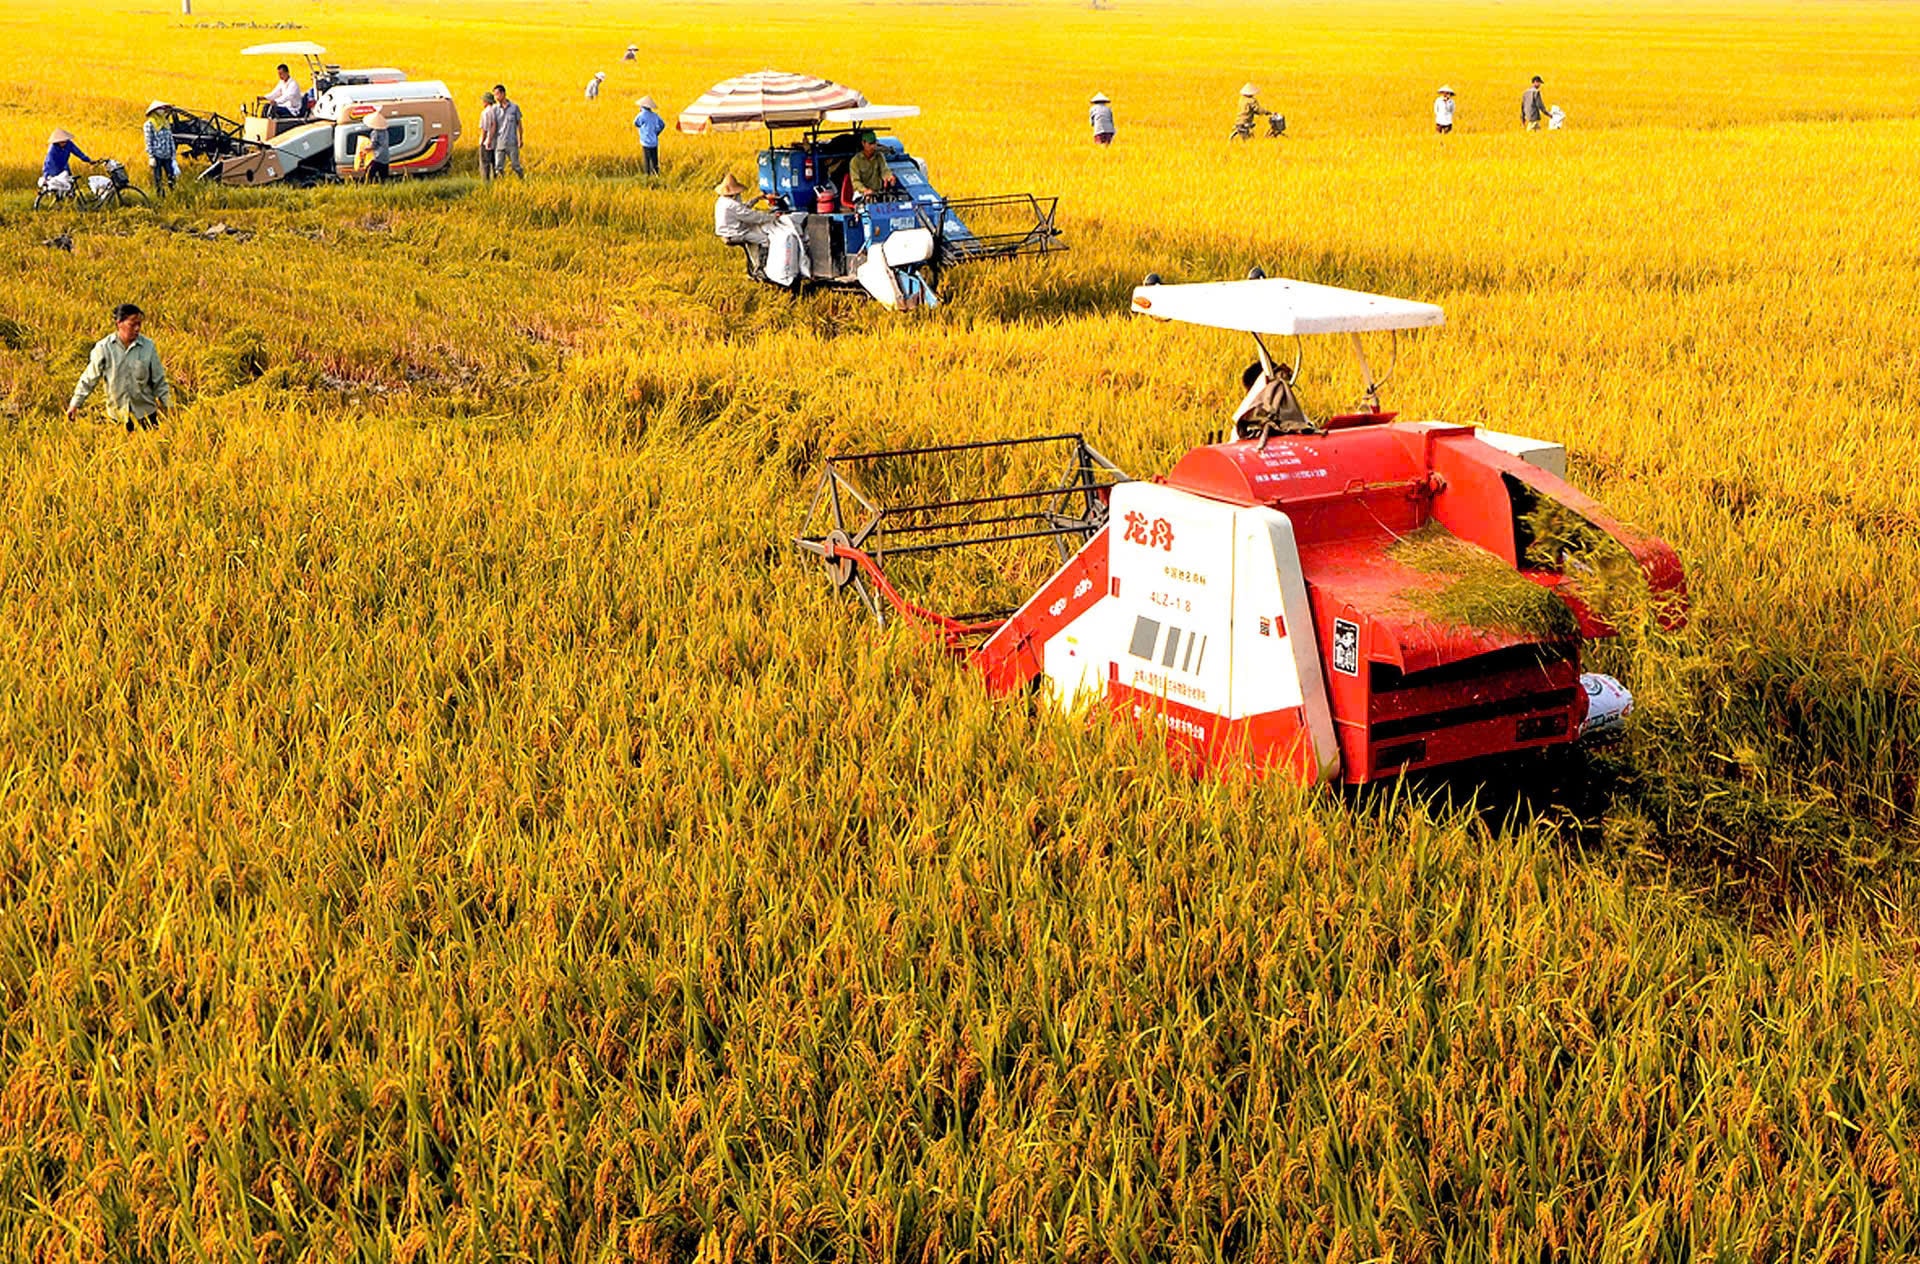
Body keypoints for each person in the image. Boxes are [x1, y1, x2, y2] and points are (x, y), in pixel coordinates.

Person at [68, 303, 171, 434]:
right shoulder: (104, 348)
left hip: (145, 415)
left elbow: (159, 380)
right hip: (117, 417)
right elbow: (89, 378)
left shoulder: (148, 347)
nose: (137, 328)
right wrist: (75, 404)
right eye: (132, 325)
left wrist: (169, 406)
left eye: (139, 324)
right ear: (119, 323)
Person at [713, 172, 778, 247]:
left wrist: (757, 199)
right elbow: (753, 217)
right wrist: (773, 217)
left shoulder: (721, 201)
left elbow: (742, 208)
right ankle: (764, 254)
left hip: (726, 233)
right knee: (765, 239)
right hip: (734, 234)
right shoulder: (732, 204)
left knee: (754, 229)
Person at [849, 132, 896, 199]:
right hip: (862, 194)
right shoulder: (855, 161)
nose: (873, 146)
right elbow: (856, 181)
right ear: (863, 143)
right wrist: (865, 190)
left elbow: (884, 170)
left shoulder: (879, 156)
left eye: (874, 143)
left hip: (878, 192)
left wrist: (889, 177)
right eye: (870, 144)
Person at [142, 102, 176, 195]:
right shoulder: (149, 124)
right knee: (158, 178)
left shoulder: (165, 122)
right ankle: (160, 196)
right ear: (155, 110)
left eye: (163, 109)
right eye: (160, 108)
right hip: (157, 155)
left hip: (167, 155)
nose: (162, 110)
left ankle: (173, 194)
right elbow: (148, 140)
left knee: (171, 177)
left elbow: (170, 139)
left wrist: (173, 155)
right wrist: (151, 156)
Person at [491, 84, 525, 177]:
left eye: (497, 94)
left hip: (512, 142)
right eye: (494, 95)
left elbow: (519, 124)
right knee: (498, 167)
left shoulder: (514, 107)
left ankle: (522, 179)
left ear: (503, 94)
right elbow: (493, 125)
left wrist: (521, 139)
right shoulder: (495, 109)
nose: (496, 97)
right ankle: (502, 181)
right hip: (499, 142)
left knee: (515, 166)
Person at [632, 96, 665, 175]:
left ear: (642, 106)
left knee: (647, 159)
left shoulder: (641, 115)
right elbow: (662, 124)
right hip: (654, 141)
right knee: (654, 160)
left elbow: (635, 123)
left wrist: (642, 129)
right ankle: (656, 174)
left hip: (645, 141)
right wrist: (657, 132)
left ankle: (647, 175)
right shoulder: (655, 115)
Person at [362, 111, 391, 181]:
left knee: (369, 174)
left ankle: (367, 184)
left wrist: (365, 148)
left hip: (378, 156)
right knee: (384, 176)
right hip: (386, 156)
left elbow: (373, 145)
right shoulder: (385, 131)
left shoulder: (375, 132)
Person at [477, 91, 498, 179]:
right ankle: (497, 180)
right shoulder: (495, 111)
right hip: (495, 142)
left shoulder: (485, 112)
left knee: (485, 163)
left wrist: (483, 140)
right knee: (494, 163)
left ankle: (486, 182)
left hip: (486, 142)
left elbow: (484, 129)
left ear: (486, 101)